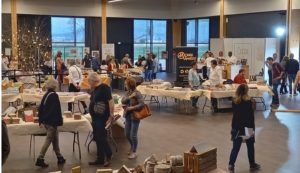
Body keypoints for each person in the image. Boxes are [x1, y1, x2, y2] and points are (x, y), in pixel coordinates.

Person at [228, 84, 261, 173]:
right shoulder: (250, 101)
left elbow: (235, 115)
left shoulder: (234, 101)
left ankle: (231, 164)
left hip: (237, 127)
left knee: (235, 147)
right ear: (246, 91)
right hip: (248, 127)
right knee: (250, 146)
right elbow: (252, 115)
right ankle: (252, 164)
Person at [36, 79, 65, 167]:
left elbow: (41, 108)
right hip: (52, 121)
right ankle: (40, 158)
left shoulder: (46, 94)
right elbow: (56, 110)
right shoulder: (54, 95)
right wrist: (59, 121)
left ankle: (59, 157)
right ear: (55, 86)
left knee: (55, 139)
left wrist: (41, 120)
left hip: (46, 121)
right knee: (49, 139)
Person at [88, 72, 113, 166]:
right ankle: (100, 158)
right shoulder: (95, 89)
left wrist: (111, 115)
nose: (88, 82)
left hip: (102, 118)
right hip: (95, 118)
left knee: (101, 137)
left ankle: (109, 154)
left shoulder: (104, 88)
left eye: (89, 81)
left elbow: (110, 102)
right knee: (97, 138)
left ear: (93, 80)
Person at [121, 77, 145, 159]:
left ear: (129, 85)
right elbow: (122, 101)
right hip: (128, 116)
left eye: (125, 84)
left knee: (133, 135)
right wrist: (130, 97)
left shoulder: (137, 93)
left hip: (135, 117)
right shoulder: (128, 93)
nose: (124, 85)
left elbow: (142, 104)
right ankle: (132, 147)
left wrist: (132, 108)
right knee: (127, 134)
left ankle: (134, 151)